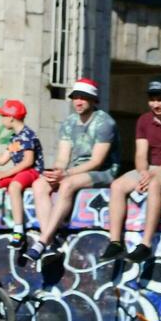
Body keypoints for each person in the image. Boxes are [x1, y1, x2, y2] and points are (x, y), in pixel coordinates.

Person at [100, 77, 161, 265]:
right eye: (152, 100)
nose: (156, 104)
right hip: (152, 168)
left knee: (155, 185)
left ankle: (145, 244)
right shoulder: (144, 120)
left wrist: (154, 174)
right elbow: (140, 154)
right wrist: (143, 171)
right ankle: (115, 241)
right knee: (118, 185)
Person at [27, 78, 120, 263]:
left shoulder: (104, 123)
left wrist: (66, 174)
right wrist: (56, 172)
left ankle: (44, 239)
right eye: (75, 97)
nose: (78, 101)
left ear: (94, 100)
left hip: (104, 171)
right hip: (75, 170)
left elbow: (97, 161)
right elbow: (62, 159)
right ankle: (51, 244)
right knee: (39, 184)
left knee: (68, 184)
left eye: (83, 98)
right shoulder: (69, 122)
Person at [0, 99, 43, 245]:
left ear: (11, 118)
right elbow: (2, 160)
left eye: (3, 116)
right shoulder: (14, 138)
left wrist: (6, 173)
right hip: (19, 173)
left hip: (32, 172)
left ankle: (18, 230)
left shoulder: (27, 134)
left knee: (14, 186)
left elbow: (28, 161)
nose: (1, 119)